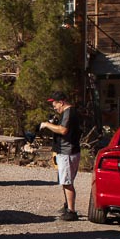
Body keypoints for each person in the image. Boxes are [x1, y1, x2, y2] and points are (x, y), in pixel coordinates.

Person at [40, 91, 81, 221]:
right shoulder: (68, 113)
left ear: (61, 102)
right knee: (65, 180)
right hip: (66, 151)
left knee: (67, 182)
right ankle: (67, 205)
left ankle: (71, 211)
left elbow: (63, 130)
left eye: (55, 105)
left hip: (67, 152)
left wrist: (47, 125)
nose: (54, 108)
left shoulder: (69, 112)